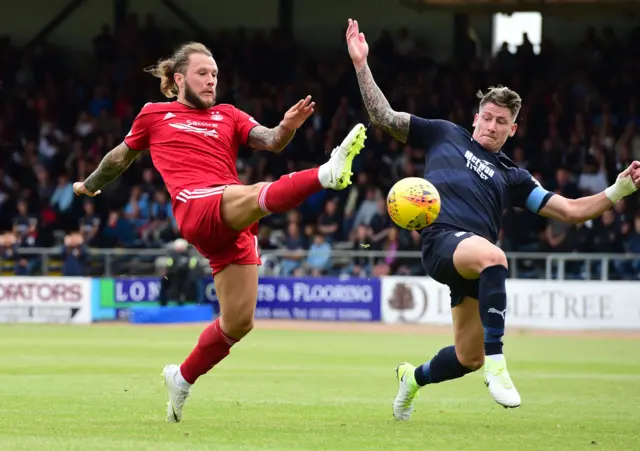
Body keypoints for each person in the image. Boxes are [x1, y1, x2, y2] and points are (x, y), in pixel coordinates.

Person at [345, 18, 640, 419]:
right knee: (496, 257)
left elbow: (570, 211)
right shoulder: (443, 134)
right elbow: (383, 116)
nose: (492, 125)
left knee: (469, 358)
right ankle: (500, 365)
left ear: (513, 129)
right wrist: (362, 64)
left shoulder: (514, 176)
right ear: (475, 117)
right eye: (487, 117)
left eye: (502, 121)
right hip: (442, 241)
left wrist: (619, 190)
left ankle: (411, 379)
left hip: (470, 264)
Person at [73, 41, 367, 423]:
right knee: (249, 193)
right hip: (196, 205)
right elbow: (119, 157)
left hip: (232, 217)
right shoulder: (154, 115)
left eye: (214, 75)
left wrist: (287, 127)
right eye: (202, 74)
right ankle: (326, 174)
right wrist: (90, 185)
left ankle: (181, 377)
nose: (211, 81)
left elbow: (272, 140)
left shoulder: (228, 115)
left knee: (239, 322)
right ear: (179, 79)